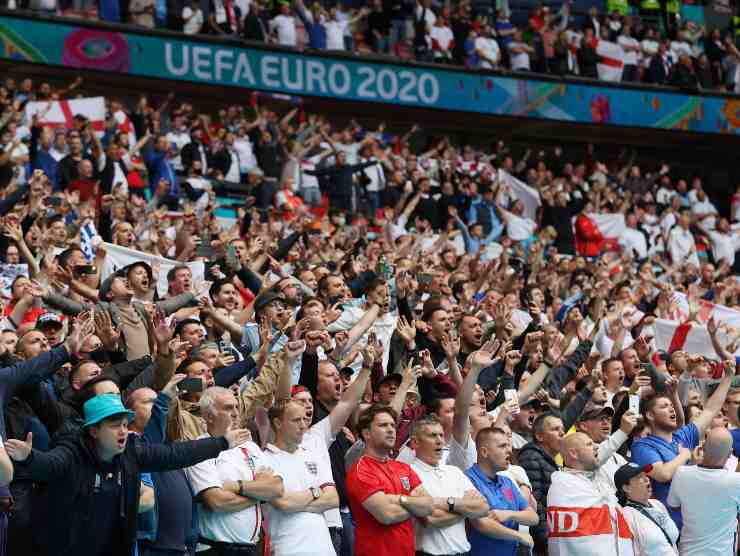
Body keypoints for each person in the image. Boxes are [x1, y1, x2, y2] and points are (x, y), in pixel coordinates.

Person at [5, 393, 251, 556]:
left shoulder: (130, 453)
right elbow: (50, 464)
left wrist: (221, 443)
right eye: (114, 425)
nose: (123, 431)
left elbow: (175, 454)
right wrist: (28, 457)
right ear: (93, 431)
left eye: (125, 424)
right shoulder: (72, 454)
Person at [630, 360, 734, 529]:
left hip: (694, 525)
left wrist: (728, 377)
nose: (671, 409)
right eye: (664, 406)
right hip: (666, 527)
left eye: (671, 406)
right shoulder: (643, 446)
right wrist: (685, 455)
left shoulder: (682, 437)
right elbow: (663, 474)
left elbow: (710, 410)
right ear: (649, 415)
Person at [186, 386, 284, 555]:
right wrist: (259, 496)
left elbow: (277, 488)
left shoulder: (249, 446)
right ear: (209, 416)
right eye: (228, 408)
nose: (236, 413)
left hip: (252, 548)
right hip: (216, 549)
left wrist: (237, 486)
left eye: (236, 406)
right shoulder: (199, 448)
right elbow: (216, 501)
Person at [346, 405, 437, 556]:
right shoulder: (360, 470)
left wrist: (400, 499)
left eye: (393, 425)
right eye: (383, 425)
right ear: (367, 433)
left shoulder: (403, 468)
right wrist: (414, 507)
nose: (390, 430)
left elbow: (428, 506)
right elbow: (387, 515)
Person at [263, 399, 339, 556]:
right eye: (296, 420)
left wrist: (295, 503)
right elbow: (283, 503)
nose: (303, 425)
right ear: (278, 423)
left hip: (325, 549)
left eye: (305, 419)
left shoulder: (313, 456)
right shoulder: (263, 460)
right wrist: (316, 492)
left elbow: (333, 499)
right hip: (289, 549)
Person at [408, 415, 489, 556]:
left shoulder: (454, 471)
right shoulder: (409, 473)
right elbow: (431, 519)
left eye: (441, 435)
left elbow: (483, 508)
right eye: (432, 436)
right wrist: (466, 508)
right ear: (415, 442)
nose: (440, 440)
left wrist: (448, 504)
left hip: (464, 553)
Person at [546, 433, 634, 555]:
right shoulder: (564, 485)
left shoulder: (599, 482)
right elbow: (576, 540)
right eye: (589, 444)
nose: (596, 447)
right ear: (573, 453)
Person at [667, 427, 740, 556]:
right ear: (730, 453)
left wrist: (692, 466)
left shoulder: (682, 473)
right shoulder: (736, 482)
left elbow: (673, 505)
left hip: (687, 552)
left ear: (702, 447)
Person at [465, 427, 537, 555]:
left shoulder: (506, 481)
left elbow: (533, 517)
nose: (509, 451)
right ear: (484, 452)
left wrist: (509, 514)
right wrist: (518, 536)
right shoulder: (468, 480)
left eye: (508, 445)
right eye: (502, 446)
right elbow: (481, 523)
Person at [614, 463, 678, 556]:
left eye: (645, 475)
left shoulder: (657, 504)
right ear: (626, 488)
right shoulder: (626, 515)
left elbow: (672, 544)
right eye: (639, 477)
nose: (646, 479)